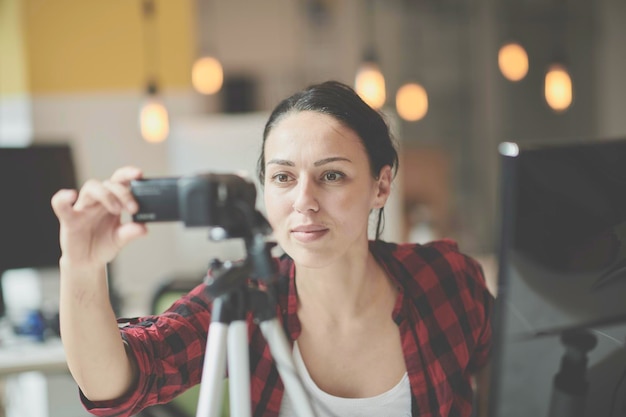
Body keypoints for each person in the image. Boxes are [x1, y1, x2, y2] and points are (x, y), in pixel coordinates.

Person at [51, 80, 493, 417]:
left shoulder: (447, 279)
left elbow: (528, 375)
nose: (304, 201)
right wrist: (82, 266)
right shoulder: (245, 297)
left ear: (381, 186)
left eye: (332, 175)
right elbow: (113, 383)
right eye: (284, 177)